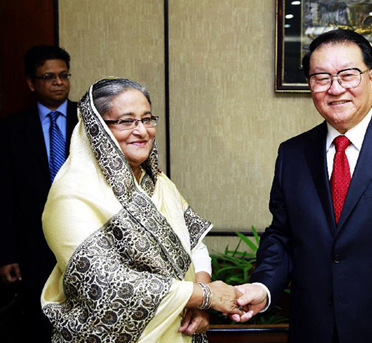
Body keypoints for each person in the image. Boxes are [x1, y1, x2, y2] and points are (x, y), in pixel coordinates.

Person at [233, 29, 372, 343]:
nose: (336, 88)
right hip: (314, 331)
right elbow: (282, 236)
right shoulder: (292, 154)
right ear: (311, 85)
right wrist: (262, 287)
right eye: (321, 77)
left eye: (348, 74)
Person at [40, 77, 244, 342]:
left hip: (181, 331)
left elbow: (194, 245)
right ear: (97, 128)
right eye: (126, 121)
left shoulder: (158, 183)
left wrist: (199, 301)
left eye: (147, 119)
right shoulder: (72, 196)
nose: (142, 131)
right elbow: (107, 285)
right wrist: (206, 296)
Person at [0, 45, 78, 342]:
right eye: (48, 77)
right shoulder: (11, 130)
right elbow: (4, 195)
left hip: (82, 242)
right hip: (32, 249)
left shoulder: (89, 123)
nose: (59, 82)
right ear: (31, 83)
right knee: (38, 328)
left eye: (64, 75)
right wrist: (6, 254)